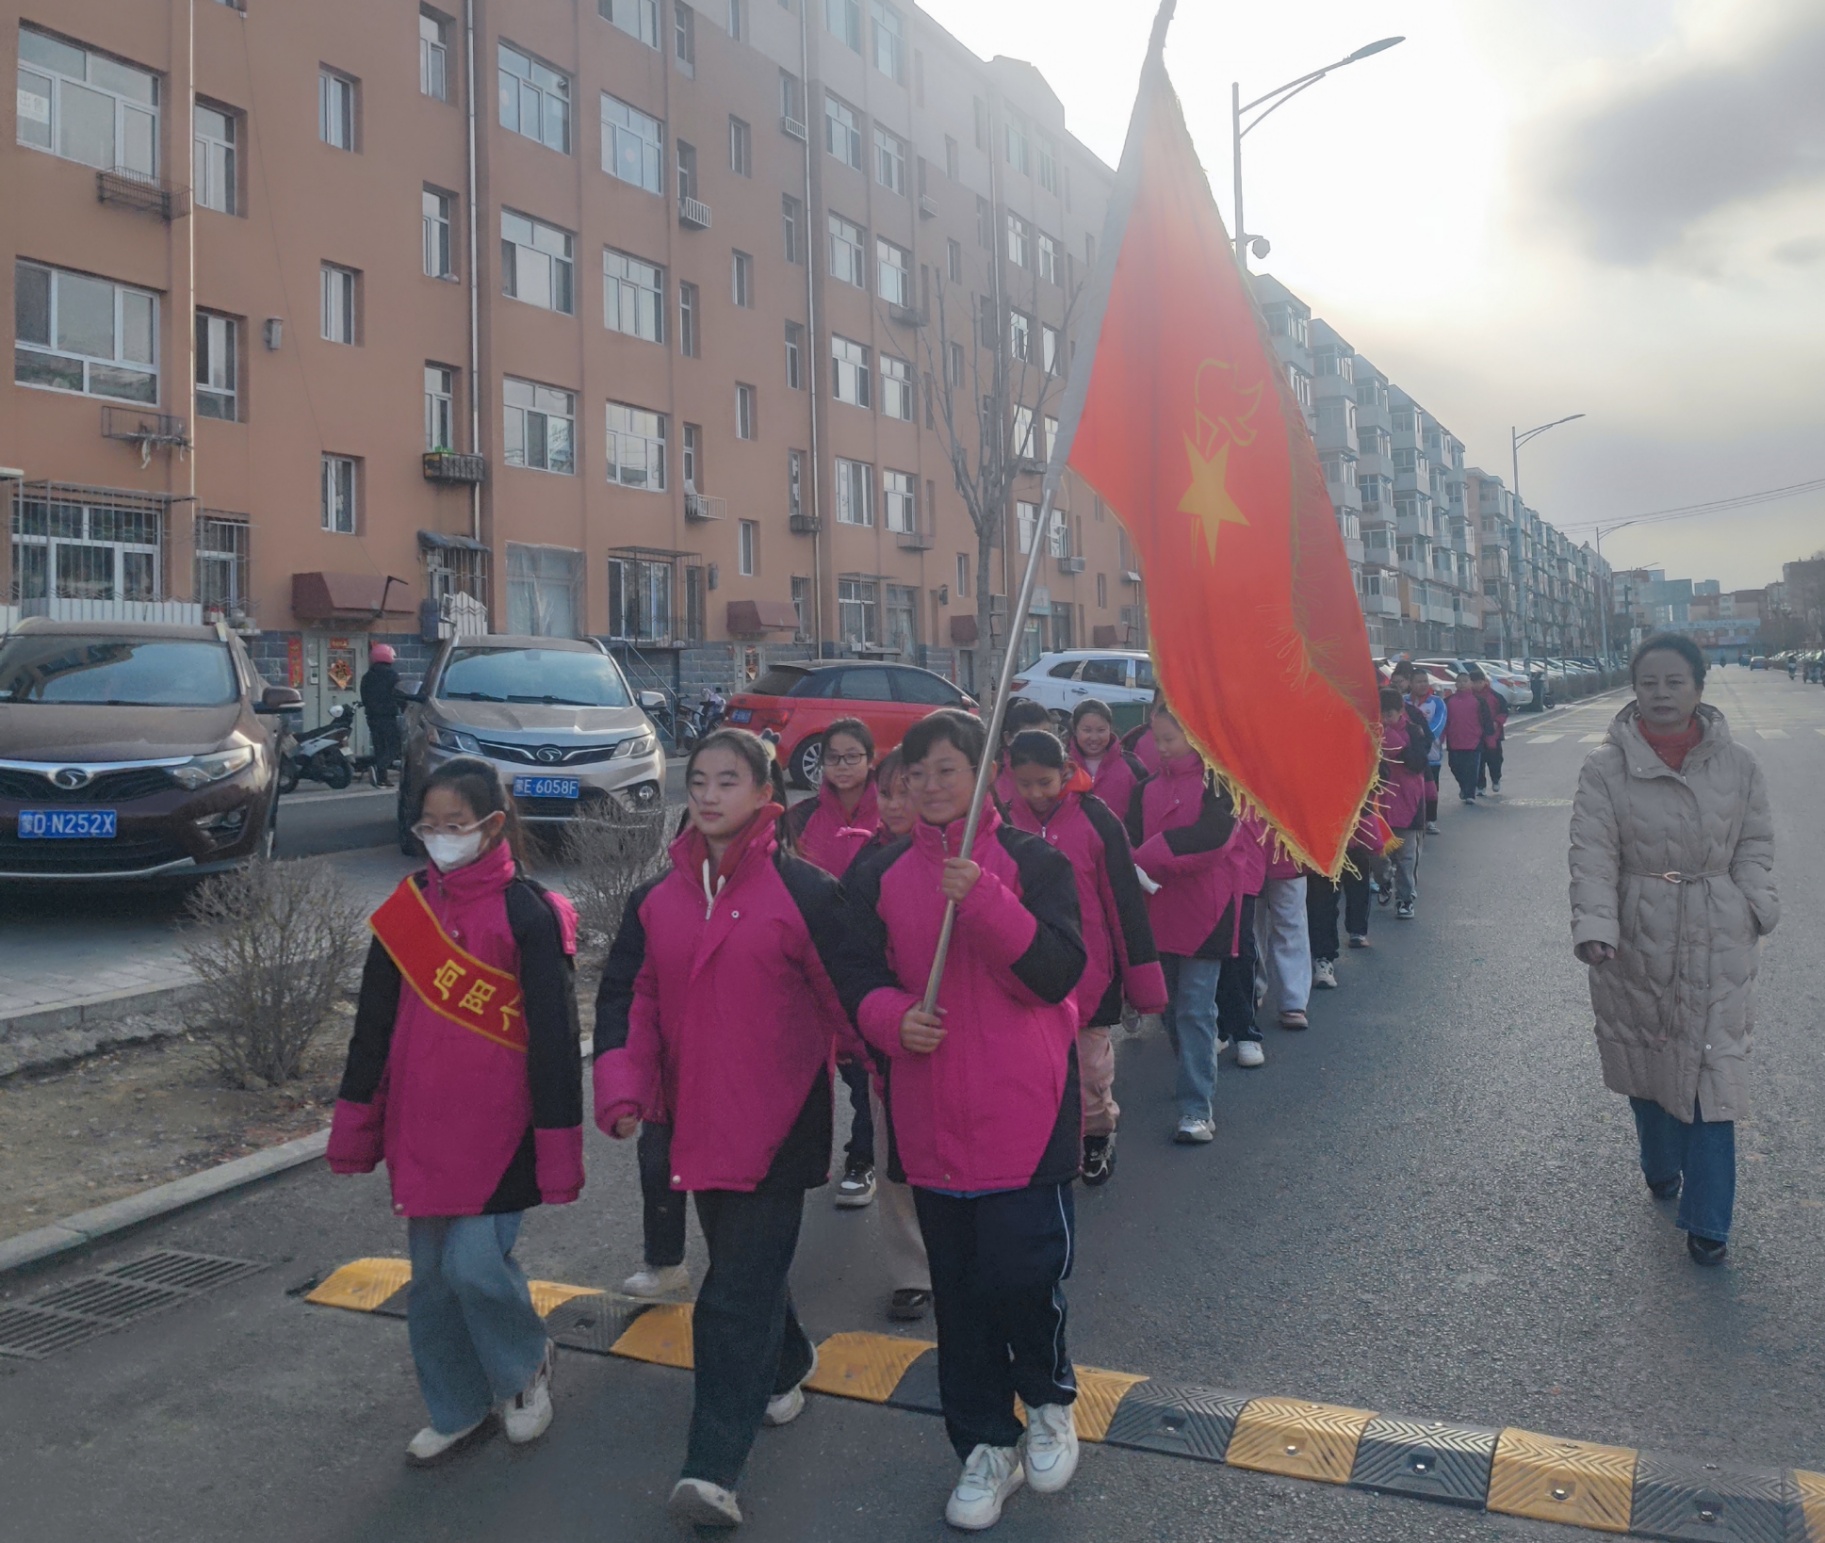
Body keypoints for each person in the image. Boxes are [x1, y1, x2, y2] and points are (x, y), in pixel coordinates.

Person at [594, 728, 863, 1528]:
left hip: (780, 1126)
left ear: (763, 792)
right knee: (744, 1268)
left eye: (728, 781)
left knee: (729, 1294)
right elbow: (627, 997)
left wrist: (895, 1090)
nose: (709, 795)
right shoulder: (657, 897)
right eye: (699, 779)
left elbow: (851, 1005)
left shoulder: (807, 892)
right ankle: (789, 1360)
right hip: (690, 1123)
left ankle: (711, 1465)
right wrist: (623, 1084)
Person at [838, 709, 1087, 1532]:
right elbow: (856, 978)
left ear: (988, 776)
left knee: (1024, 1272)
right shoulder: (876, 876)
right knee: (960, 1297)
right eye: (918, 773)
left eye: (951, 769)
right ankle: (984, 1443)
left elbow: (1053, 974)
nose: (933, 785)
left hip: (1024, 1113)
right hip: (930, 1117)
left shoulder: (1031, 862)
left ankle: (1048, 1396)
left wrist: (982, 898)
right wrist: (888, 1019)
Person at [326, 758, 583, 1464]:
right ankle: (457, 1402)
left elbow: (556, 1040)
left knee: (474, 1266)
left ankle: (524, 1362)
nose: (440, 836)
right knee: (433, 1280)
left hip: (503, 1131)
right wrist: (356, 1121)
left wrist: (561, 1141)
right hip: (421, 1125)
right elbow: (373, 1023)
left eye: (454, 824)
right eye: (428, 825)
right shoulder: (406, 909)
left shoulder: (528, 911)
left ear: (492, 825)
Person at [1569, 634, 1778, 1267]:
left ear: (1698, 686)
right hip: (1638, 930)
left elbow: (1757, 842)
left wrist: (1753, 900)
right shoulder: (1605, 767)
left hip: (1719, 929)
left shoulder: (1738, 764)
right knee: (1650, 1057)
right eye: (1649, 682)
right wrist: (1596, 924)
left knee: (1713, 1069)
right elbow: (1593, 853)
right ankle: (1659, 1165)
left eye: (1674, 682)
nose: (1661, 694)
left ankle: (1709, 1223)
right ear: (1635, 688)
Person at [1006, 729, 1166, 1188]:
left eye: (1044, 782)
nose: (1035, 793)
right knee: (1033, 1072)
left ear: (1064, 772)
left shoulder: (1098, 820)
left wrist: (1141, 980)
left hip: (1090, 973)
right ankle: (1047, 1146)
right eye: (1024, 784)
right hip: (1027, 972)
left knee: (1091, 1070)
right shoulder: (999, 823)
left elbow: (1123, 903)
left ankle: (1098, 1134)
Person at [840, 749, 934, 1322]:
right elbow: (848, 959)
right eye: (889, 793)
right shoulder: (865, 864)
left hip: (953, 1035)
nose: (896, 805)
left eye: (909, 790)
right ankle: (912, 1271)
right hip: (888, 1038)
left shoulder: (965, 856)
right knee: (893, 1154)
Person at [1127, 701, 1244, 1132]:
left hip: (1206, 912)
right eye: (1156, 740)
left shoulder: (1219, 783)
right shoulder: (1145, 789)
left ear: (1194, 736)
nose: (1162, 749)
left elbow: (1214, 840)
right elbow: (1130, 837)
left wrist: (1149, 857)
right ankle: (1191, 1076)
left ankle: (1197, 1106)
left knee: (1196, 1010)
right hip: (1157, 911)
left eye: (1170, 739)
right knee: (1170, 1006)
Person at [783, 718, 883, 1210]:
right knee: (815, 1066)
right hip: (812, 959)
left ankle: (862, 1160)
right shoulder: (800, 817)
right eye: (833, 758)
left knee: (868, 1068)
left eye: (852, 757)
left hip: (873, 955)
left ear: (870, 760)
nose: (842, 767)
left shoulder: (890, 811)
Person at [1250, 818, 1311, 1033]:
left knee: (1289, 922)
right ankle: (1256, 988)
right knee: (1251, 922)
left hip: (1289, 838)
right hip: (1249, 835)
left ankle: (1292, 999)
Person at [1378, 689, 1428, 919]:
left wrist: (1400, 749)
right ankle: (1385, 880)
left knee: (1407, 856)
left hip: (1408, 800)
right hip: (1379, 802)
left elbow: (1419, 764)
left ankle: (1405, 898)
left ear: (1400, 712)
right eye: (1380, 714)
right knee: (1377, 854)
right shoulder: (1371, 731)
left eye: (1389, 714)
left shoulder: (1413, 731)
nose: (1384, 719)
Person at [1068, 698, 1149, 820]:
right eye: (1087, 730)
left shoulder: (1132, 767)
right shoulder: (1062, 768)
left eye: (1101, 730)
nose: (1094, 737)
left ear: (1110, 729)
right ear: (1075, 730)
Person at [1401, 665, 1447, 833]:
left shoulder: (1436, 702)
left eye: (1425, 681)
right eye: (1419, 682)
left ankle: (1430, 820)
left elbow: (1439, 723)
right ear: (1410, 684)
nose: (1423, 685)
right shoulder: (1403, 702)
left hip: (1432, 754)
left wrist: (1425, 735)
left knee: (1431, 787)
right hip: (1410, 753)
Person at [992, 696, 1058, 807]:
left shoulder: (1066, 773)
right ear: (1008, 738)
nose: (1038, 744)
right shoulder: (991, 779)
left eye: (1045, 735)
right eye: (1027, 738)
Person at [1443, 672, 1494, 805]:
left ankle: (1470, 793)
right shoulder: (1448, 701)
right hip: (1454, 740)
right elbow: (1443, 720)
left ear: (1470, 683)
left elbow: (1486, 719)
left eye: (1465, 681)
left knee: (1472, 769)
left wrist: (1489, 736)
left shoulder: (1479, 701)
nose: (1462, 684)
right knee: (1454, 766)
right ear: (1455, 684)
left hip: (1474, 740)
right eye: (1459, 681)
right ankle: (1463, 787)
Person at [360, 643, 404, 789]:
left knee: (379, 746)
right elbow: (399, 695)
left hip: (372, 717)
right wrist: (404, 708)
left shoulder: (367, 676)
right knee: (395, 745)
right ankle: (379, 767)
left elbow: (364, 697)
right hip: (387, 716)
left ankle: (382, 778)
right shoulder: (392, 675)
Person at [1471, 667, 1509, 795]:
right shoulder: (1468, 697)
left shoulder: (1495, 696)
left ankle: (1496, 779)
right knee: (1478, 762)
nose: (1476, 685)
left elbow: (1504, 711)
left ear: (1484, 682)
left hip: (1494, 734)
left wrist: (1497, 722)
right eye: (1473, 682)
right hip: (1475, 735)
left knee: (1495, 759)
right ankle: (1480, 785)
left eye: (1479, 682)